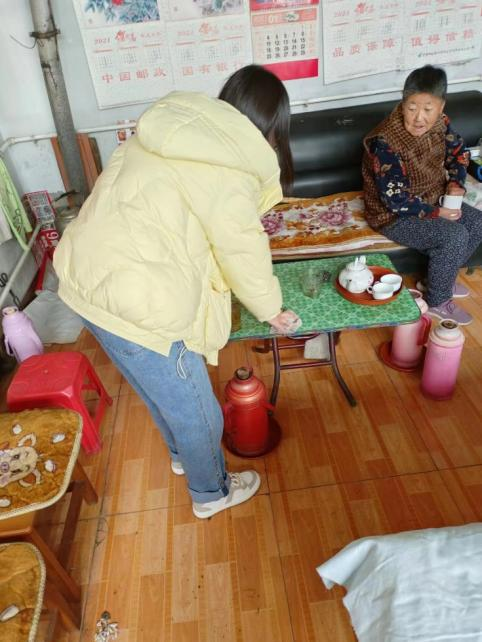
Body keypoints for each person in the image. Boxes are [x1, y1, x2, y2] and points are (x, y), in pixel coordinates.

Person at [53, 65, 299, 518]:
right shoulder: (230, 166)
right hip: (140, 302)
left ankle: (185, 458)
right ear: (272, 129)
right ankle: (212, 493)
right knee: (197, 409)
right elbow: (242, 249)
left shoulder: (166, 130)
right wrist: (271, 309)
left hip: (84, 280)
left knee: (158, 393)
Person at [362, 65, 482, 325]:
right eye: (412, 107)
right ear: (403, 103)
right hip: (393, 216)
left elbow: (459, 153)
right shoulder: (384, 141)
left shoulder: (441, 123)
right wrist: (439, 213)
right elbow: (395, 200)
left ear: (441, 107)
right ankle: (438, 301)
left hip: (432, 197)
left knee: (477, 222)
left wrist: (456, 183)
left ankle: (438, 281)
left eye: (428, 109)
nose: (419, 118)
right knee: (454, 236)